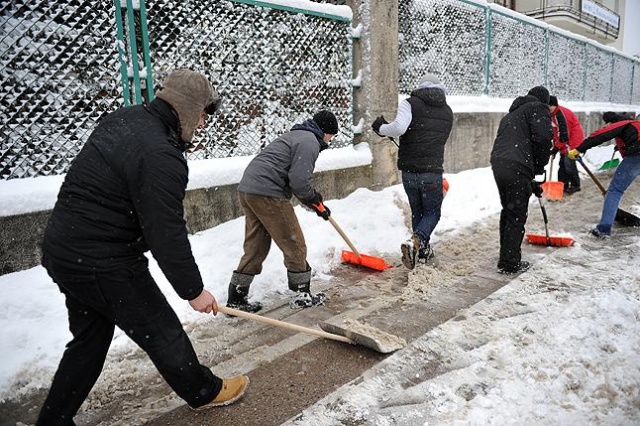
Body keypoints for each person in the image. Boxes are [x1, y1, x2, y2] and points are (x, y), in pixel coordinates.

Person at [37, 70, 248, 425]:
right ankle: (203, 391)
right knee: (161, 328)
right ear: (187, 109)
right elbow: (165, 232)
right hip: (103, 260)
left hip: (64, 248)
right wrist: (193, 290)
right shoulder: (161, 156)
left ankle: (53, 419)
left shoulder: (126, 119)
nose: (204, 123)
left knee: (89, 339)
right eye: (203, 115)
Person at [226, 110, 338, 312]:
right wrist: (313, 198)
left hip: (248, 190)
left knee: (256, 245)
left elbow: (295, 179)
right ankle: (301, 294)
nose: (330, 140)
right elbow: (299, 181)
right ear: (325, 131)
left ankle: (237, 296)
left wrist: (315, 204)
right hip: (269, 193)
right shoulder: (310, 141)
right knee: (294, 241)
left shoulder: (295, 135)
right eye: (332, 135)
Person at [371, 74, 453, 270]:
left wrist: (380, 127)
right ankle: (416, 242)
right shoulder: (447, 112)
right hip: (432, 171)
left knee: (418, 211)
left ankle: (421, 249)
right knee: (432, 213)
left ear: (421, 86)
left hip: (409, 169)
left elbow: (399, 128)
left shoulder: (410, 103)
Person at [490, 86, 553, 274]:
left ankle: (506, 255)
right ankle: (509, 262)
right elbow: (542, 138)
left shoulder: (511, 115)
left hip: (500, 163)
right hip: (517, 164)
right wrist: (540, 167)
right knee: (516, 213)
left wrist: (531, 174)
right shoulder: (538, 108)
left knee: (509, 209)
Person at [568, 111, 640, 237]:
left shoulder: (623, 124)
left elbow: (601, 135)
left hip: (637, 156)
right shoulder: (634, 125)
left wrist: (580, 148)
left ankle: (603, 229)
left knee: (615, 190)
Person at [548, 95, 584, 194]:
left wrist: (556, 148)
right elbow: (556, 131)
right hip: (565, 141)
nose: (549, 108)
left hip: (572, 141)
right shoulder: (552, 114)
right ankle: (562, 185)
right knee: (562, 164)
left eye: (551, 105)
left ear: (555, 105)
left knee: (569, 164)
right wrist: (555, 144)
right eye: (547, 105)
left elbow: (565, 135)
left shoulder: (562, 115)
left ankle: (575, 185)